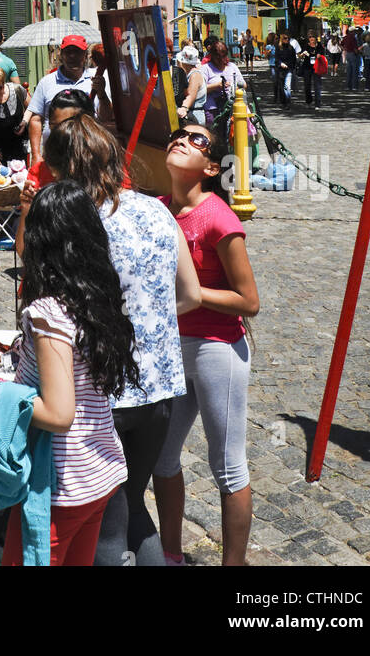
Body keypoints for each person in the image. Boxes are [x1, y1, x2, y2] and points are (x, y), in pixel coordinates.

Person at [35, 113, 200, 567]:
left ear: (59, 170)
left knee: (106, 516)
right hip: (159, 390)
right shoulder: (156, 209)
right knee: (133, 502)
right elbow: (188, 295)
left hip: (100, 391)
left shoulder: (70, 221)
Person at [0, 181, 139, 566]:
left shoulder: (48, 314)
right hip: (99, 471)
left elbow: (59, 414)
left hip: (60, 485)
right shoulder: (97, 294)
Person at [152, 123, 260, 567]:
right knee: (161, 459)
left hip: (218, 349)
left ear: (211, 167)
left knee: (228, 466)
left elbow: (248, 300)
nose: (181, 139)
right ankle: (171, 555)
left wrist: (194, 292)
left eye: (196, 140)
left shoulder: (219, 217)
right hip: (170, 351)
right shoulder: (156, 209)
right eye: (178, 133)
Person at [26, 34, 95, 162]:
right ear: (61, 55)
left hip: (88, 155)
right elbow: (36, 120)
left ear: (85, 55)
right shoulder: (46, 82)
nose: (72, 56)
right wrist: (36, 155)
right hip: (54, 157)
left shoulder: (96, 80)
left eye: (77, 52)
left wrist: (101, 94)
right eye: (68, 52)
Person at [202, 40, 245, 129]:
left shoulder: (232, 67)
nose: (221, 60)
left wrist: (234, 88)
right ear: (212, 56)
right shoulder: (206, 69)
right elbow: (200, 90)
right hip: (213, 109)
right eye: (218, 58)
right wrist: (216, 86)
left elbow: (243, 84)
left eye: (223, 57)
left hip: (231, 107)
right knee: (214, 134)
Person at [174, 45, 207, 125]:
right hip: (191, 114)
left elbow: (191, 95)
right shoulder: (189, 74)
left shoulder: (194, 75)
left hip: (193, 116)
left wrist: (184, 108)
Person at [274, 34, 296, 106]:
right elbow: (276, 58)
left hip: (288, 69)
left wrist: (290, 66)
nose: (287, 40)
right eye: (285, 38)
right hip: (280, 69)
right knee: (281, 86)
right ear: (282, 39)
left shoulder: (291, 48)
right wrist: (280, 64)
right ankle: (283, 101)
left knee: (287, 86)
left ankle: (288, 101)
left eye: (288, 38)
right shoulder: (278, 48)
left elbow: (293, 59)